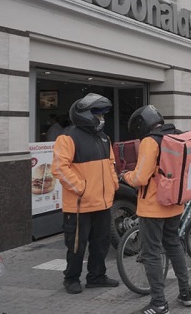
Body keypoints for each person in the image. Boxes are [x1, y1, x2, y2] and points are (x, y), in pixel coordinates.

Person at [121, 105, 191, 313]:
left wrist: (125, 175)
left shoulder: (150, 141)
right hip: (175, 203)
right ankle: (186, 292)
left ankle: (159, 303)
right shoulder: (176, 136)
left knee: (151, 253)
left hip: (153, 207)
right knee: (174, 246)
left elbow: (140, 178)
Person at [52, 93, 119, 295]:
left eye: (103, 114)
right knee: (76, 246)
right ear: (86, 114)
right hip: (80, 204)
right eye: (98, 114)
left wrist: (113, 184)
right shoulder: (67, 137)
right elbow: (60, 168)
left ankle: (96, 277)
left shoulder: (103, 138)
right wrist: (82, 188)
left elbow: (111, 164)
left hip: (103, 203)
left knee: (101, 244)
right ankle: (71, 278)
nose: (102, 118)